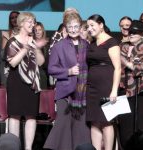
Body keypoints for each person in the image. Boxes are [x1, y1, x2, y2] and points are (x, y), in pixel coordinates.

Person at [43, 12, 91, 150]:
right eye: (70, 26)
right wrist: (68, 72)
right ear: (66, 28)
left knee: (80, 127)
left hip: (82, 92)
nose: (74, 29)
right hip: (65, 92)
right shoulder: (59, 46)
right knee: (62, 125)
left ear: (81, 27)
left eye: (76, 26)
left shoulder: (87, 45)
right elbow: (51, 69)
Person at [4, 12, 44, 150]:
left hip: (32, 83)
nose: (32, 24)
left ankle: (28, 148)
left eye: (33, 22)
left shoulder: (33, 41)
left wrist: (36, 48)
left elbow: (41, 62)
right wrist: (25, 48)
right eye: (29, 22)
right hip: (16, 82)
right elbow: (13, 63)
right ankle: (14, 147)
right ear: (21, 23)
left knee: (31, 116)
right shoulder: (12, 42)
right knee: (14, 116)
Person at [118, 20, 143, 149]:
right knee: (125, 128)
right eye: (131, 31)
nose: (132, 33)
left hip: (142, 90)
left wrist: (128, 63)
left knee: (141, 127)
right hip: (123, 90)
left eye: (135, 31)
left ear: (142, 34)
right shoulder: (122, 47)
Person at [86, 14, 121, 150]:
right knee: (94, 121)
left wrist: (114, 90)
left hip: (106, 86)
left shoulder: (112, 42)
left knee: (107, 121)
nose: (89, 28)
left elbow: (117, 68)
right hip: (92, 86)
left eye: (92, 25)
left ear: (101, 25)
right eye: (88, 26)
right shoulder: (92, 43)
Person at [0, 11, 20, 86]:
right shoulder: (6, 34)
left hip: (25, 68)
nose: (14, 19)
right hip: (10, 69)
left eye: (16, 17)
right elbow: (2, 55)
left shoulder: (27, 34)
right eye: (12, 18)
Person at [33, 21, 49, 89]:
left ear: (43, 31)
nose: (37, 32)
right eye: (35, 30)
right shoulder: (30, 43)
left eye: (39, 30)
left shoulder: (47, 44)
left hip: (44, 75)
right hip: (33, 74)